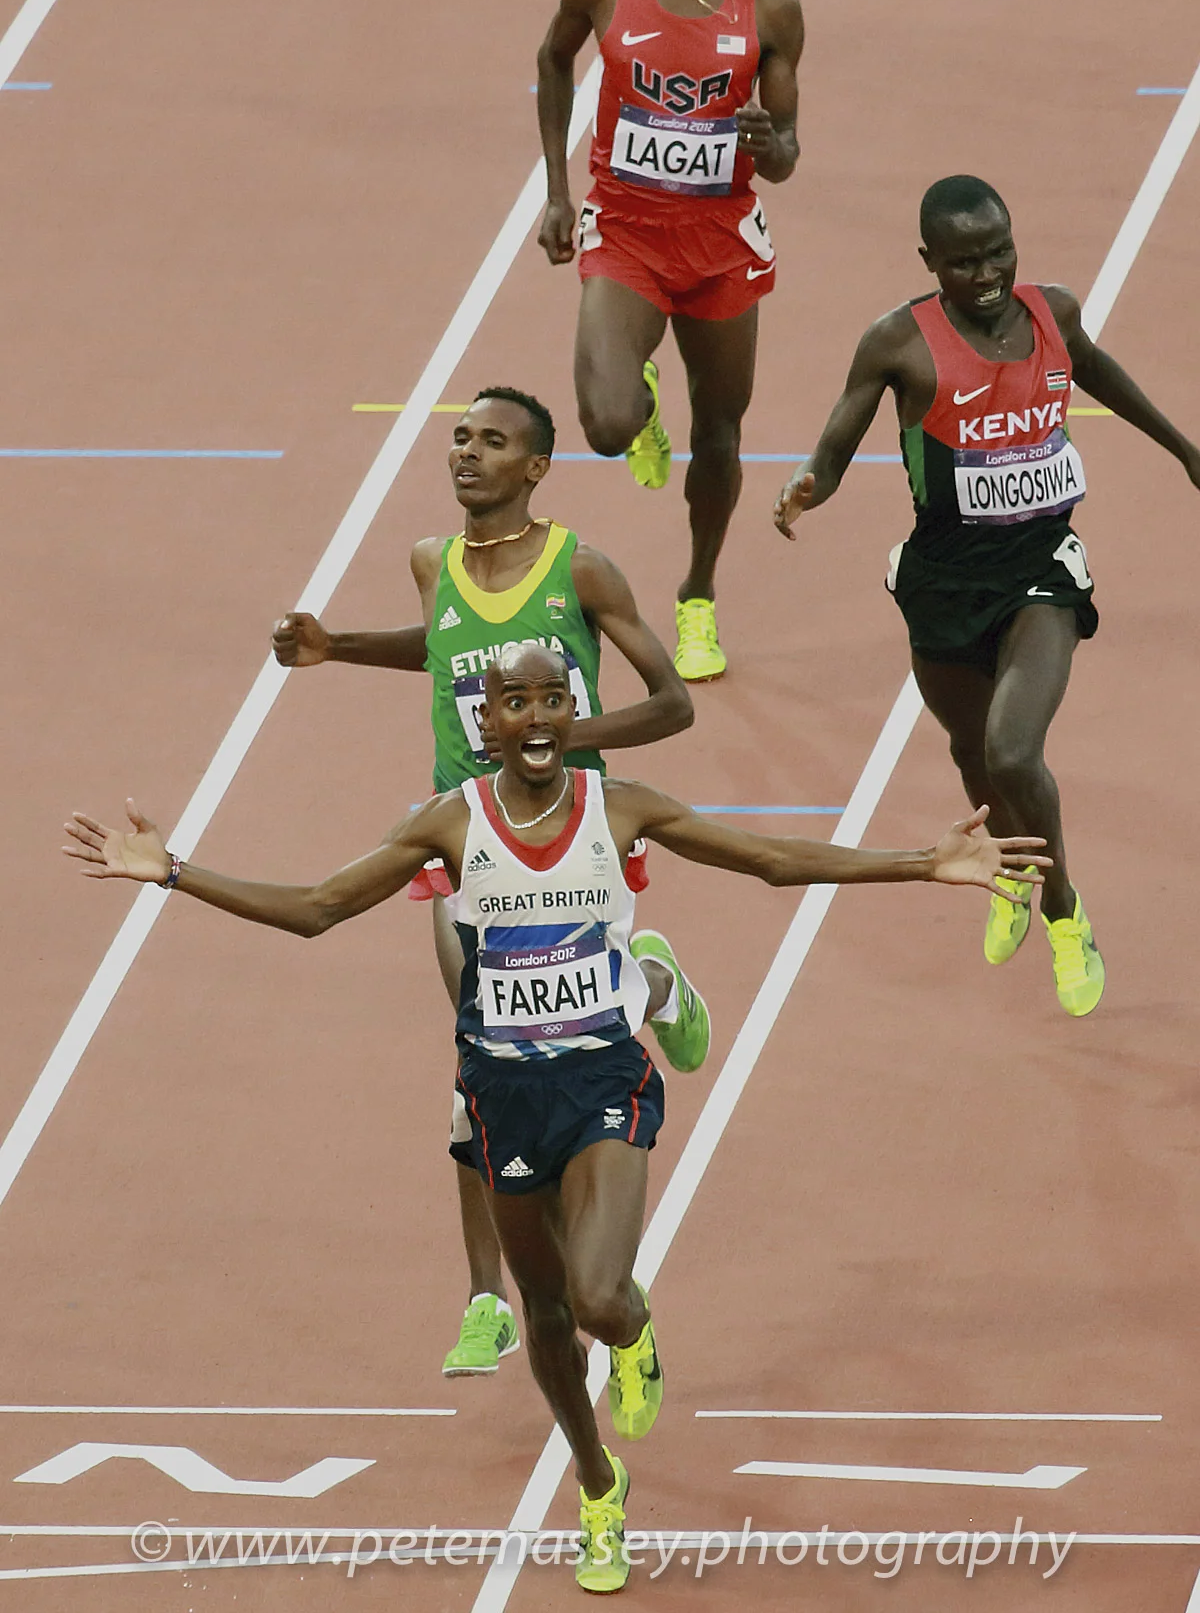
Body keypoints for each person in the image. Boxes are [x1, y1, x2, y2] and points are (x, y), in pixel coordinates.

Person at [64, 640, 1045, 1595]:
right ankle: (597, 1482)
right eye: (515, 703)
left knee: (598, 1298)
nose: (536, 718)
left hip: (603, 1081)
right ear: (483, 722)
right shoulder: (452, 824)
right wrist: (174, 871)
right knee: (542, 1315)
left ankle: (634, 1330)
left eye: (552, 699)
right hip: (502, 1098)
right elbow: (319, 906)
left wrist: (924, 862)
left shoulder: (619, 810)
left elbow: (771, 861)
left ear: (572, 712)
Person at [271, 386, 697, 1381]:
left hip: (570, 838)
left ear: (535, 467)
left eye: (491, 441)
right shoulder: (432, 562)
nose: (466, 452)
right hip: (465, 843)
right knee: (482, 1063)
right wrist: (338, 649)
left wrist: (553, 735)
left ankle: (658, 989)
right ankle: (486, 1301)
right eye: (460, 436)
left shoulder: (579, 568)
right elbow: (443, 653)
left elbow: (672, 703)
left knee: (550, 1047)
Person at [773, 174, 1200, 1017]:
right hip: (942, 580)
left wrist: (1184, 448)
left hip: (1040, 568)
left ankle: (1064, 911)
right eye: (965, 261)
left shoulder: (1055, 313)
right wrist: (807, 486)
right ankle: (1010, 874)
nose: (989, 273)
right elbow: (839, 433)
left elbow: (1099, 372)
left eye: (1000, 250)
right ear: (929, 261)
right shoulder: (898, 341)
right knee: (974, 758)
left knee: (1011, 750)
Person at [536, 0, 804, 683]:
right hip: (626, 226)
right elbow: (550, 61)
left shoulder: (771, 9)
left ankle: (698, 596)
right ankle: (639, 396)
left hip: (720, 239)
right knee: (608, 427)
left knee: (721, 430)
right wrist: (555, 190)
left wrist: (771, 140)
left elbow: (788, 156)